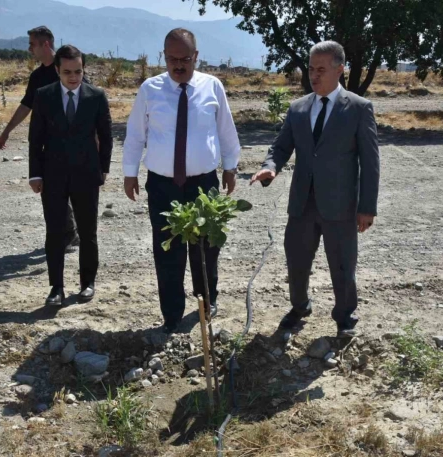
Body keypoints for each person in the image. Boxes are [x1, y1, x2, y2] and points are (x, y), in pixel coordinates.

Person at [251, 41, 380, 338]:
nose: (314, 75)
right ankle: (299, 307)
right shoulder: (298, 108)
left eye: (321, 69)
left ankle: (344, 316)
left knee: (342, 265)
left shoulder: (358, 108)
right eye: (311, 69)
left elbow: (370, 162)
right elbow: (280, 147)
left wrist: (367, 207)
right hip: (302, 204)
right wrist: (270, 167)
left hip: (340, 205)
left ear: (340, 69)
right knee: (296, 261)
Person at [122, 28, 241, 333]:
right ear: (164, 57)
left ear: (196, 56)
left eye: (184, 59)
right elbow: (135, 134)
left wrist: (230, 168)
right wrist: (130, 172)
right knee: (168, 251)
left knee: (205, 248)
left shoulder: (212, 87)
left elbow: (226, 131)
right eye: (172, 59)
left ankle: (206, 302)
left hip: (204, 185)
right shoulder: (150, 89)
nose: (178, 65)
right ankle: (172, 314)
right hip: (163, 185)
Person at [28, 45, 113, 306]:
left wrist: (103, 169)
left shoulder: (96, 96)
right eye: (67, 72)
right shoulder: (44, 95)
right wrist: (35, 174)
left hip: (86, 174)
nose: (73, 77)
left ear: (83, 69)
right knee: (55, 232)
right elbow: (35, 138)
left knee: (88, 232)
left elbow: (106, 135)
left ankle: (88, 283)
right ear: (57, 70)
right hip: (52, 175)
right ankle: (56, 288)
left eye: (78, 71)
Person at [0, 26, 80, 253]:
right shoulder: (37, 77)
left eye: (32, 44)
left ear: (46, 44)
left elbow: (87, 101)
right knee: (51, 190)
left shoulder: (68, 69)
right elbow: (26, 106)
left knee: (64, 190)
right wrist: (7, 130)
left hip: (72, 143)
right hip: (47, 144)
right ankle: (67, 235)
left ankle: (69, 235)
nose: (29, 49)